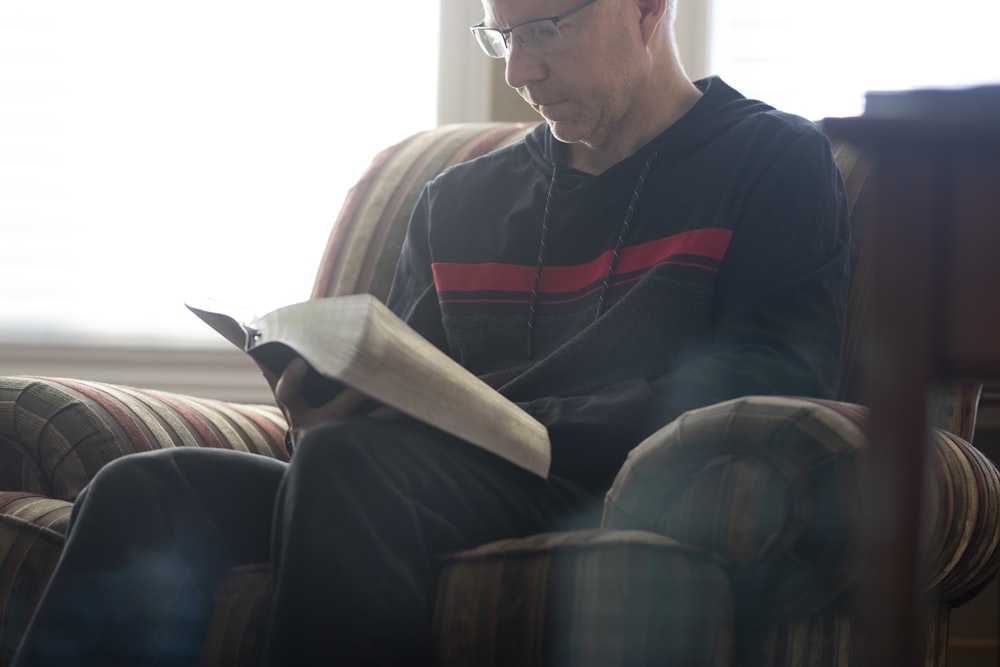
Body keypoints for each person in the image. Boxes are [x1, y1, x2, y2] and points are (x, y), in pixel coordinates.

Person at [13, 0, 849, 664]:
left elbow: (775, 373)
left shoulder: (773, 160)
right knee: (147, 488)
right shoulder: (459, 200)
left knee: (353, 464)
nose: (522, 70)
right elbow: (406, 382)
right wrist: (331, 405)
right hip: (410, 487)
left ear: (647, 7)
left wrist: (537, 430)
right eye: (502, 36)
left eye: (548, 29)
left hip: (608, 490)